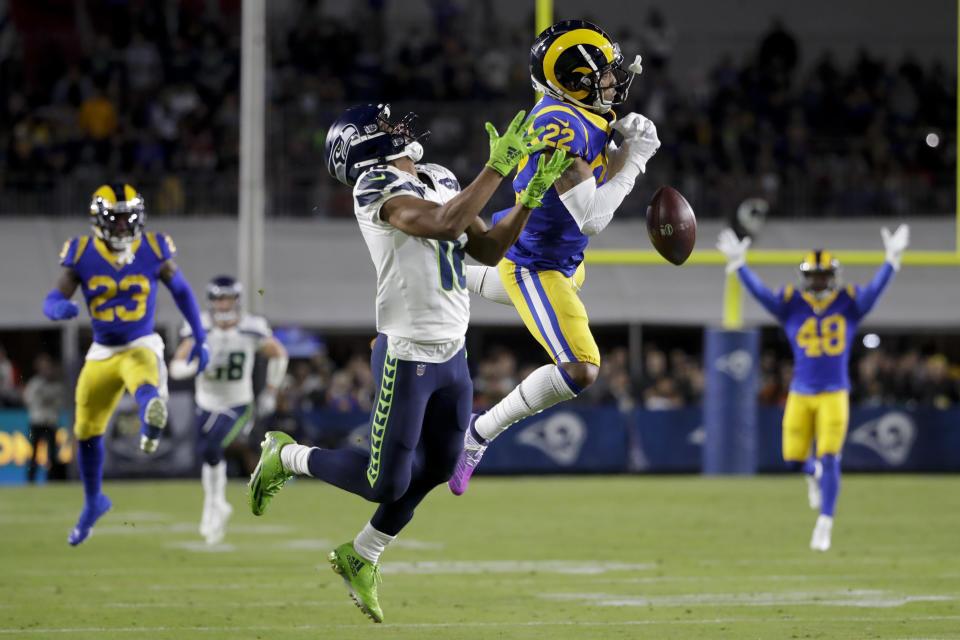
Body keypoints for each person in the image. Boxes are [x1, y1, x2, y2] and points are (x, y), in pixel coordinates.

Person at [247, 103, 572, 623]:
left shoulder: (439, 175)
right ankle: (285, 456)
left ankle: (363, 554)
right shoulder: (373, 186)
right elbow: (443, 225)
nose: (398, 126)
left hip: (453, 350)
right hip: (407, 354)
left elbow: (486, 249)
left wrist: (528, 199)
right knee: (386, 484)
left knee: (441, 466)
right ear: (365, 144)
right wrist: (498, 168)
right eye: (385, 124)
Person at [449, 19, 660, 494]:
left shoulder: (579, 112)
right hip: (534, 263)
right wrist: (639, 156)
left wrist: (625, 145)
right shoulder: (558, 125)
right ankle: (479, 432)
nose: (613, 79)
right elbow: (592, 217)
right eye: (603, 73)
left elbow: (596, 179)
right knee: (581, 366)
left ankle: (448, 275)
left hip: (557, 256)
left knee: (525, 291)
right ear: (574, 81)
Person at [716, 225, 910, 551]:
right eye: (814, 276)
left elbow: (875, 291)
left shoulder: (848, 302)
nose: (818, 282)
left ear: (832, 276)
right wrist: (739, 266)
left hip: (834, 393)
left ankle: (825, 522)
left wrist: (892, 259)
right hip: (801, 392)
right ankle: (813, 473)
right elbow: (762, 294)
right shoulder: (792, 304)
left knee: (830, 455)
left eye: (823, 276)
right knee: (792, 458)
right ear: (806, 277)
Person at [43, 183, 210, 546]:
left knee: (144, 380)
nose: (122, 227)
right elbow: (56, 294)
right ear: (100, 220)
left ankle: (152, 416)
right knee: (86, 430)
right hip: (102, 352)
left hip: (140, 343)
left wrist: (200, 335)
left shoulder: (153, 248)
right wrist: (56, 307)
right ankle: (93, 501)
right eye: (115, 219)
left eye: (128, 218)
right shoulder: (82, 252)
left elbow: (181, 290)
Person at [169, 275, 289, 545]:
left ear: (236, 300)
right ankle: (215, 505)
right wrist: (190, 367)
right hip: (206, 401)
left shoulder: (251, 327)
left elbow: (279, 353)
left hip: (238, 401)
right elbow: (176, 365)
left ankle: (214, 506)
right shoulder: (199, 326)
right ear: (211, 302)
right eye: (219, 299)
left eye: (228, 298)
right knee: (207, 453)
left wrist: (270, 390)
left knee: (213, 447)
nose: (224, 304)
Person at [24, 354, 66, 483]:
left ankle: (52, 480)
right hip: (37, 421)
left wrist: (51, 401)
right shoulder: (34, 383)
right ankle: (31, 480)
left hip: (51, 422)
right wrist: (42, 400)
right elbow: (27, 399)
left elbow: (61, 403)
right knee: (33, 452)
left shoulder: (57, 386)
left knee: (52, 454)